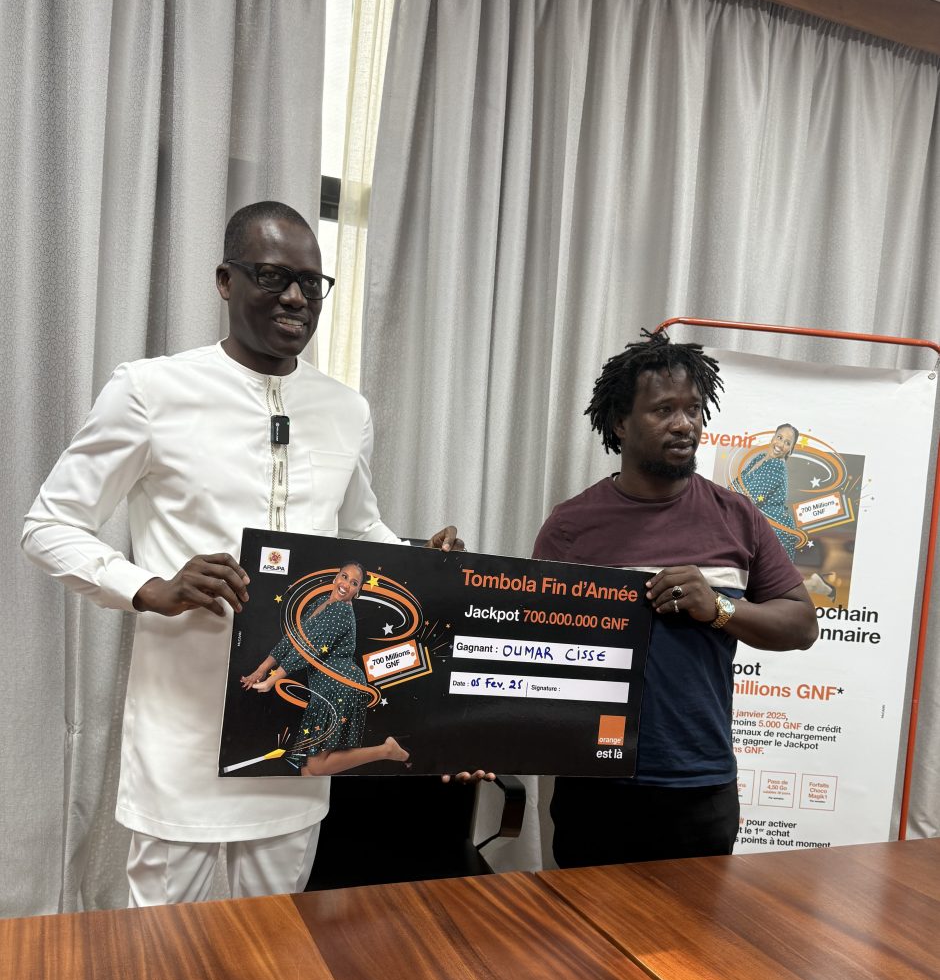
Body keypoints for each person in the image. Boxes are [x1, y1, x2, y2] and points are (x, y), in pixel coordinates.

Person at [21, 200, 467, 907]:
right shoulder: (150, 390)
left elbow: (358, 532)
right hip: (184, 728)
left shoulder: (345, 409)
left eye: (311, 282)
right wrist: (148, 587)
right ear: (225, 281)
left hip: (294, 732)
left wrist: (425, 560)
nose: (294, 296)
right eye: (271, 275)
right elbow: (49, 524)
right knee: (165, 942)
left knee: (277, 936)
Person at [533, 330, 818, 867]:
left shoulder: (737, 517)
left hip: (700, 784)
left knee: (697, 927)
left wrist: (720, 608)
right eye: (664, 409)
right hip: (594, 784)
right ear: (620, 422)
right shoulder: (571, 526)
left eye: (693, 409)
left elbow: (802, 626)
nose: (685, 424)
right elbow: (532, 648)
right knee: (586, 926)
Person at [241, 561, 411, 775]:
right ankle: (387, 751)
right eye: (344, 576)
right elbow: (295, 638)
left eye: (354, 583)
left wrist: (273, 680)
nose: (346, 584)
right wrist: (262, 668)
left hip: (339, 687)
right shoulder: (322, 602)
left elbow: (309, 649)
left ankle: (386, 750)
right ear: (336, 577)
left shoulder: (341, 610)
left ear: (358, 591)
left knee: (315, 765)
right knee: (307, 769)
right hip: (323, 689)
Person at [730, 423, 804, 560]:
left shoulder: (776, 466)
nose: (780, 444)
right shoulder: (760, 458)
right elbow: (735, 485)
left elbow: (750, 500)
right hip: (756, 527)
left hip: (775, 532)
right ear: (773, 438)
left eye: (787, 443)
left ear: (790, 450)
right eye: (779, 437)